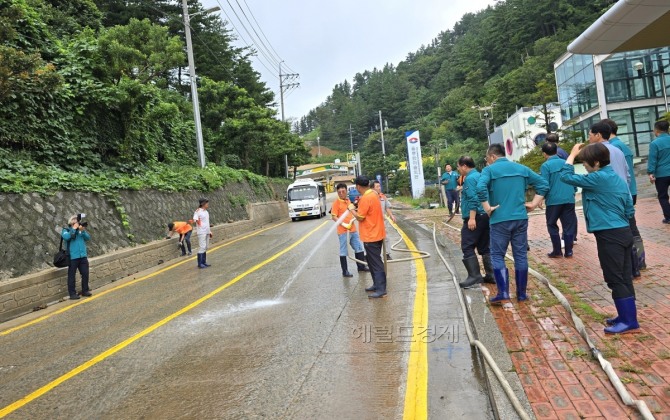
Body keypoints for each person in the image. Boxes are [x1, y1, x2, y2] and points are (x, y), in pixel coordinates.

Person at [560, 143, 638, 334]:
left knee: (616, 277)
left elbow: (565, 176)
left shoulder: (599, 178)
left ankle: (629, 322)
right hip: (622, 231)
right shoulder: (615, 178)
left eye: (585, 162)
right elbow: (629, 208)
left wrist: (571, 155)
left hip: (610, 235)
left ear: (595, 162)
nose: (584, 166)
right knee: (623, 276)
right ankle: (627, 316)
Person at [477, 143, 549, 303]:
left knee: (497, 255)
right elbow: (544, 184)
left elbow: (480, 188)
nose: (487, 162)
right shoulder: (522, 169)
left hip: (499, 219)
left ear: (493, 157)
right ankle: (522, 294)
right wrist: (533, 203)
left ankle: (503, 292)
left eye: (487, 158)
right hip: (520, 218)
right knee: (521, 255)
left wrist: (488, 208)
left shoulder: (489, 170)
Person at [603, 118, 647, 271]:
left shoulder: (612, 148)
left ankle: (637, 261)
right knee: (631, 227)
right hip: (629, 190)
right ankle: (639, 260)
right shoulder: (622, 146)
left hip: (623, 192)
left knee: (629, 229)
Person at [456, 155, 494, 288]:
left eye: (459, 167)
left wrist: (471, 218)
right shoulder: (480, 176)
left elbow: (474, 198)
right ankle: (492, 274)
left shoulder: (470, 178)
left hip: (476, 216)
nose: (459, 170)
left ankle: (474, 275)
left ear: (464, 166)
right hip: (485, 215)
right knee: (485, 246)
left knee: (467, 245)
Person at [347, 176, 387, 298]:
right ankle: (376, 284)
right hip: (377, 232)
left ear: (359, 187)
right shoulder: (374, 194)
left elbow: (360, 217)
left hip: (371, 235)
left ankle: (381, 289)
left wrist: (351, 209)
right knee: (371, 260)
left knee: (375, 262)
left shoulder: (366, 198)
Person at [540, 142, 577, 258]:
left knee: (551, 224)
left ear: (544, 154)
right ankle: (569, 251)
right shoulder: (566, 163)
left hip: (553, 200)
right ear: (556, 151)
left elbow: (544, 184)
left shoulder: (546, 166)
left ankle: (557, 251)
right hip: (569, 198)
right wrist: (573, 191)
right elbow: (573, 180)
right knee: (568, 225)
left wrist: (540, 197)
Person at [331, 183, 368, 277]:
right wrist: (343, 224)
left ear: (346, 191)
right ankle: (345, 271)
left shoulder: (348, 201)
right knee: (343, 250)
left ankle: (361, 267)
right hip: (343, 232)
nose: (341, 193)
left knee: (358, 247)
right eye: (339, 192)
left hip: (352, 230)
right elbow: (334, 216)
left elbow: (354, 210)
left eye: (343, 191)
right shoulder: (336, 203)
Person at [61, 215, 92, 300]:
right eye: (74, 219)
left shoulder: (80, 231)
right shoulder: (66, 230)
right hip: (72, 257)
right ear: (70, 222)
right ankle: (72, 294)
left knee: (85, 273)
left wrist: (82, 231)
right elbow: (67, 237)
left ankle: (85, 291)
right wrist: (74, 229)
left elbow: (88, 238)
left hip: (82, 256)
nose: (76, 221)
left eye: (77, 219)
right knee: (71, 276)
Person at [648, 120, 670, 224]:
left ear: (656, 130)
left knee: (663, 196)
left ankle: (668, 217)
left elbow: (653, 160)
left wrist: (651, 173)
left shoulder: (654, 143)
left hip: (661, 174)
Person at [371, 180, 396, 260]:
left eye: (379, 186)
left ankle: (387, 254)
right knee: (375, 240)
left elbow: (387, 207)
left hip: (383, 222)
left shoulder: (383, 197)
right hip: (373, 223)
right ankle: (374, 255)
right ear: (372, 188)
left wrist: (391, 215)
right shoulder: (370, 198)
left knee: (386, 238)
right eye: (377, 187)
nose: (379, 188)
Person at [193, 198, 213, 269]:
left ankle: (204, 262)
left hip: (207, 231)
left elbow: (207, 222)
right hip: (201, 232)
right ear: (202, 204)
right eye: (206, 203)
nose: (207, 204)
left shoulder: (206, 212)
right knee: (202, 247)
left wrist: (209, 231)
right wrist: (199, 224)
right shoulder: (198, 211)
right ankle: (200, 263)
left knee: (206, 247)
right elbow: (195, 219)